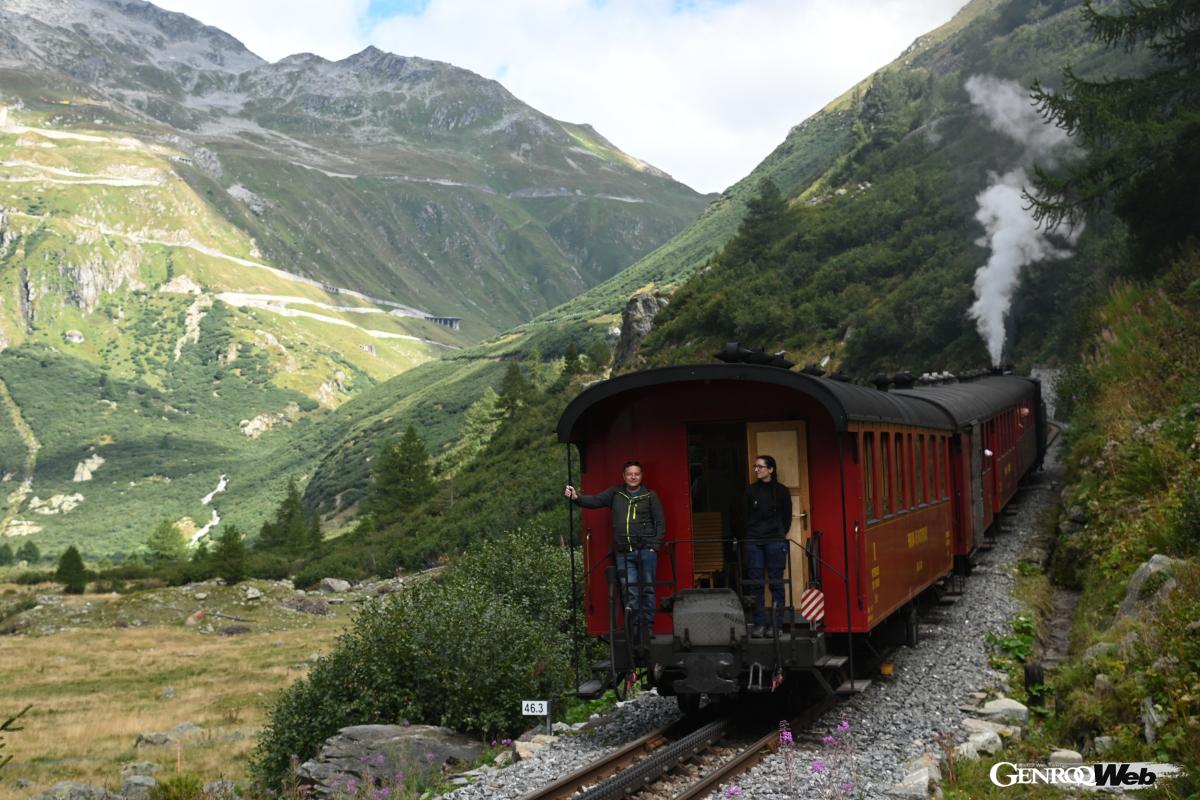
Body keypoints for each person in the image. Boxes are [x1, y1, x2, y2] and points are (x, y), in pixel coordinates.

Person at [565, 461, 665, 639]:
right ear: (623, 476)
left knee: (647, 589)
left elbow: (660, 523)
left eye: (636, 474)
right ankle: (634, 630)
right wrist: (576, 498)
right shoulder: (615, 493)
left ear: (641, 476)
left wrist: (653, 547)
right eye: (629, 474)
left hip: (645, 551)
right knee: (629, 590)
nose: (633, 477)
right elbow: (595, 500)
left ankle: (647, 627)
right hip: (624, 553)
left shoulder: (650, 496)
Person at [743, 455, 792, 637]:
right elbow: (744, 515)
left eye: (760, 467)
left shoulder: (782, 491)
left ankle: (777, 625)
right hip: (754, 541)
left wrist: (778, 534)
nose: (756, 469)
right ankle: (759, 624)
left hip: (775, 541)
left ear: (770, 469)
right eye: (755, 466)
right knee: (756, 584)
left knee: (776, 583)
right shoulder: (750, 491)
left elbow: (787, 518)